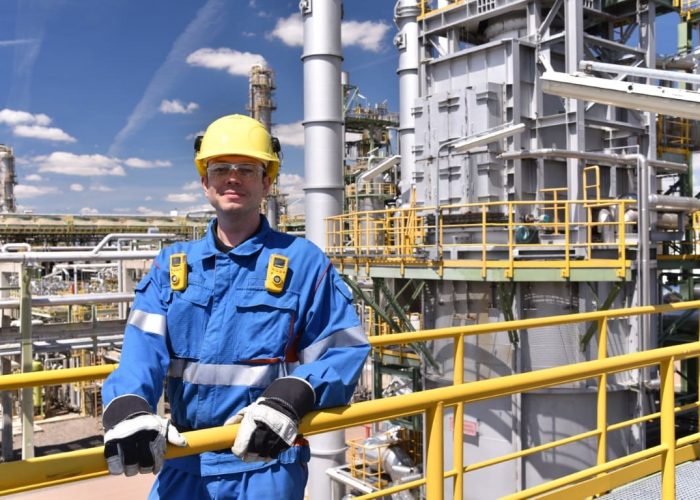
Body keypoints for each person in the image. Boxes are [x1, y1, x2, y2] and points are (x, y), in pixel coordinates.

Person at [101, 114, 370, 499]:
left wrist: (291, 396)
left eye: (247, 169)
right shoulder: (172, 266)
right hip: (184, 458)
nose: (232, 177)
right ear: (204, 182)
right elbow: (141, 352)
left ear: (266, 182)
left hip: (266, 463)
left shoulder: (303, 263)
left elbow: (344, 349)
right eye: (220, 168)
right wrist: (128, 404)